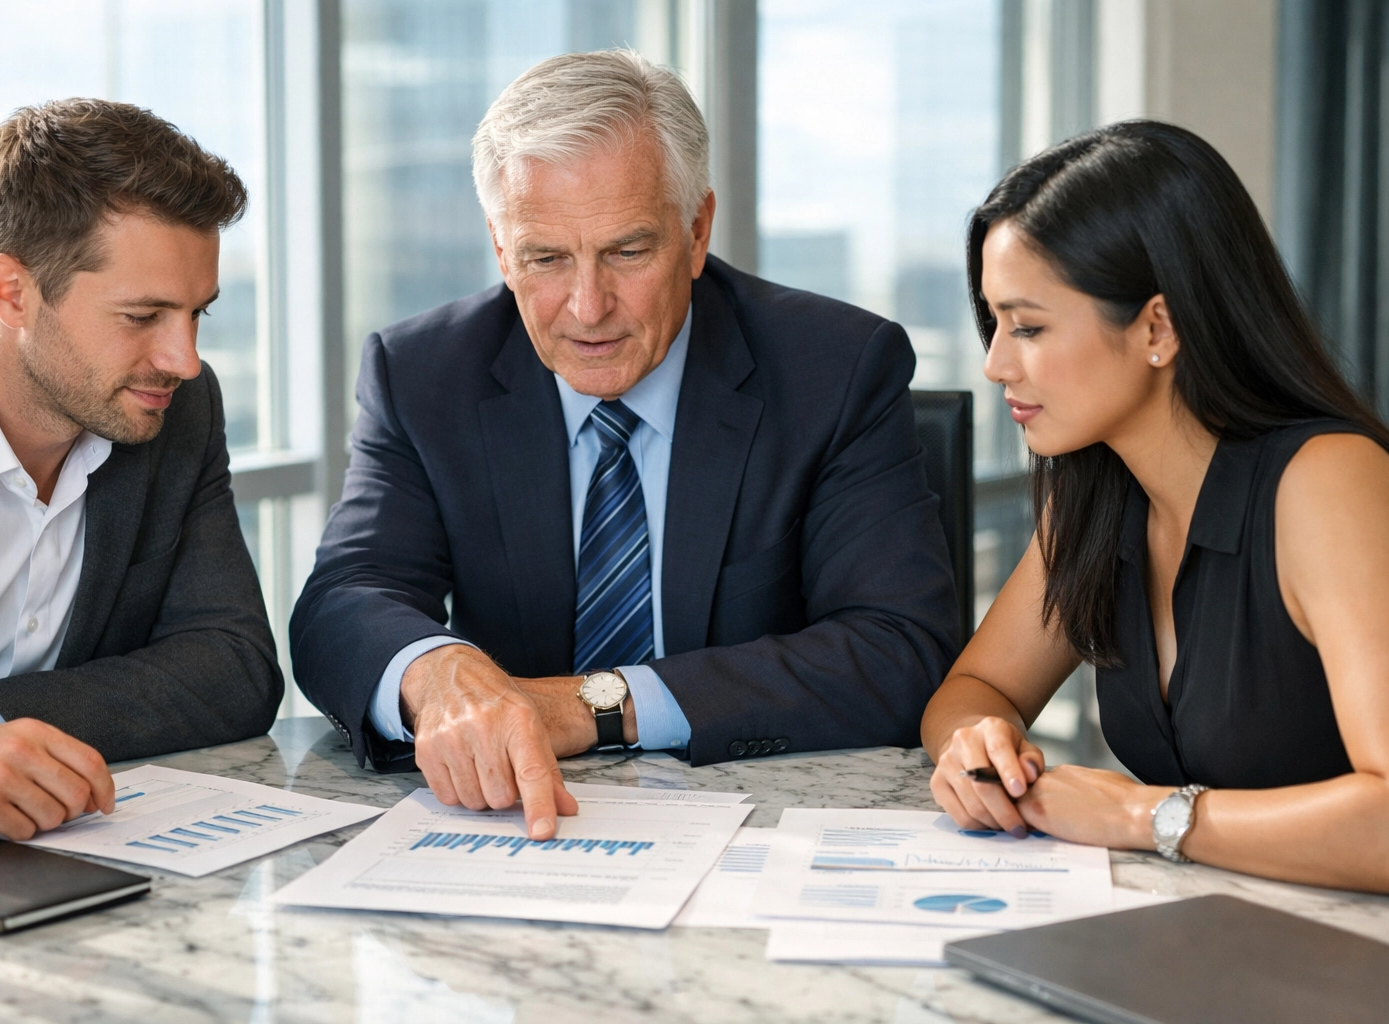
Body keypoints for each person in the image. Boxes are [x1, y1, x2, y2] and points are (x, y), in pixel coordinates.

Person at [292, 50, 959, 841]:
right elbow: (343, 599)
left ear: (698, 229)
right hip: (514, 834)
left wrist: (594, 707)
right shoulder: (422, 375)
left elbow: (897, 649)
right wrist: (439, 675)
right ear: (503, 252)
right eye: (545, 258)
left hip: (765, 832)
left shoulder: (835, 367)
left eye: (627, 251)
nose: (587, 306)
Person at [923, 120, 1389, 892]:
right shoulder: (1099, 494)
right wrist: (979, 745)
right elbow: (977, 690)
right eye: (996, 321)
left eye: (1029, 326)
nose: (996, 363)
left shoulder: (1328, 482)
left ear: (1157, 327)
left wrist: (1138, 816)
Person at [0, 99, 284, 839]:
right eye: (142, 317)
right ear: (12, 292)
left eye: (197, 314)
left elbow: (232, 667)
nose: (183, 360)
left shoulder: (176, 407)